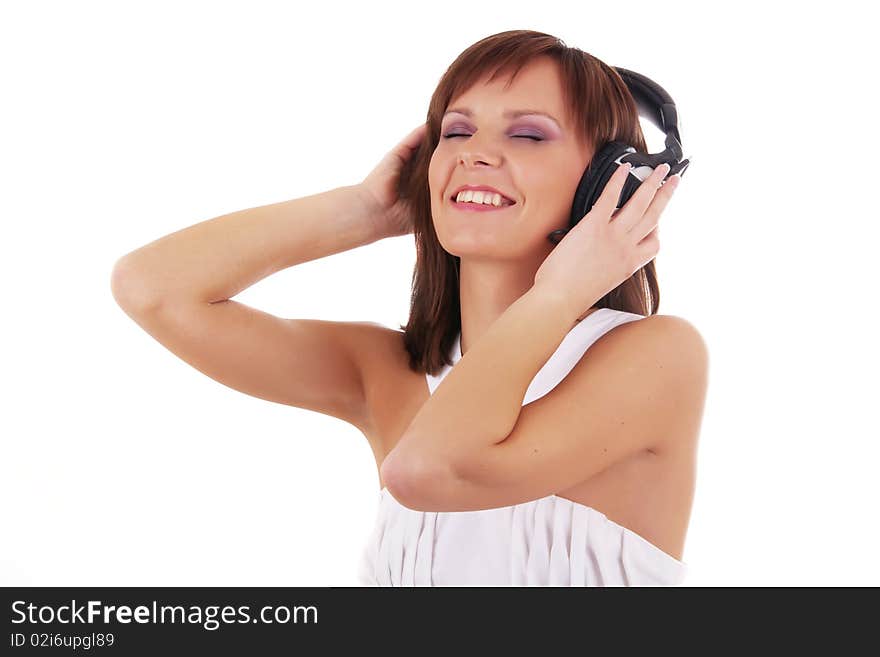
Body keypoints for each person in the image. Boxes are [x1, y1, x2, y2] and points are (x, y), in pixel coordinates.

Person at [110, 30, 708, 587]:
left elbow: (431, 470)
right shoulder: (389, 370)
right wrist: (364, 211)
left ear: (614, 182)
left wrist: (560, 292)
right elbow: (152, 287)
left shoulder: (655, 357)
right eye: (456, 132)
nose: (476, 154)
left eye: (527, 134)